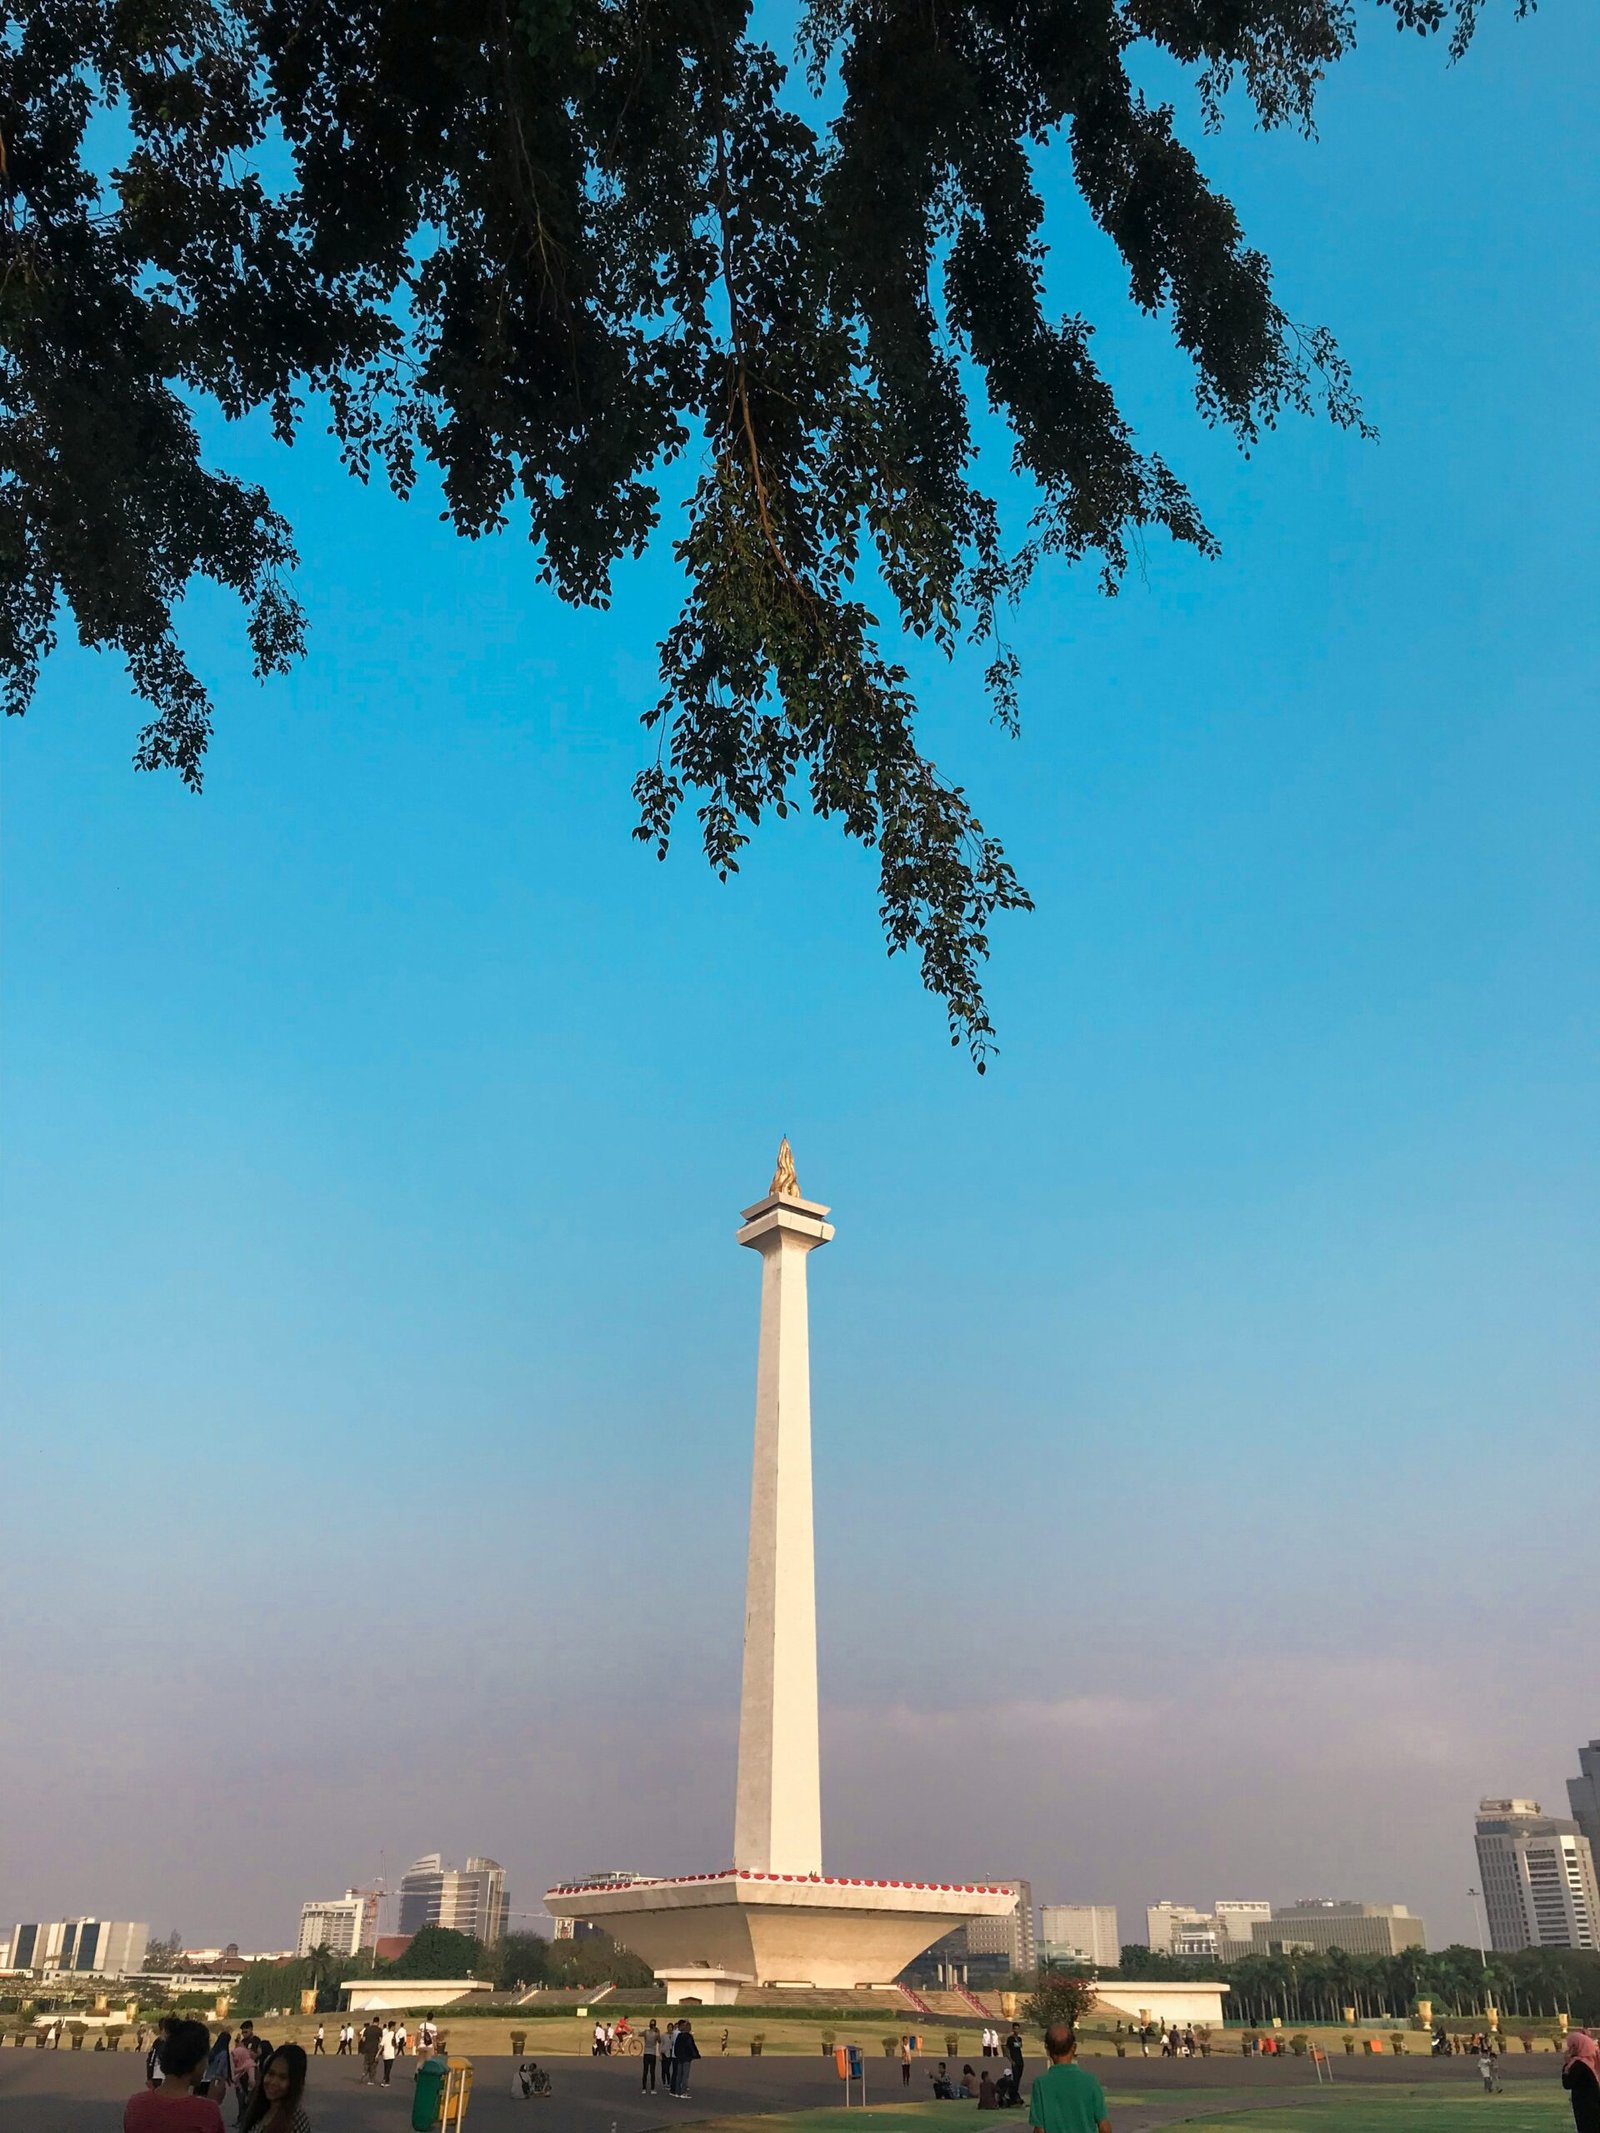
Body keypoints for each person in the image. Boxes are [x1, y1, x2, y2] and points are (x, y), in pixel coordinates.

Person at [124, 2018, 225, 2132]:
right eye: (206, 2058)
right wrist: (214, 2102)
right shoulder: (207, 2111)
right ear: (196, 2062)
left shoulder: (135, 2104)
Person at [1027, 2025, 1110, 2133]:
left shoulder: (1041, 2084)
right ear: (1074, 2048)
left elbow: (1040, 2130)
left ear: (1047, 2049)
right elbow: (1104, 2126)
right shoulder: (1090, 2081)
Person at [239, 2044, 310, 2133]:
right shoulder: (261, 2110)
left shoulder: (295, 2120)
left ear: (294, 2082)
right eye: (271, 2074)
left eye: (282, 2077)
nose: (273, 2082)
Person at [1563, 2030, 1600, 2133]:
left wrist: (1566, 2065)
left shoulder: (1578, 2065)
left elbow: (1567, 2083)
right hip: (1593, 2103)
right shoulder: (1591, 2060)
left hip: (1585, 2106)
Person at [412, 2036, 449, 2132]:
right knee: (426, 2061)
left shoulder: (422, 2029)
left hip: (423, 2056)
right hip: (429, 2052)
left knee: (421, 2062)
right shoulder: (431, 2039)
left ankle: (417, 2074)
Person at [673, 2018, 700, 2101]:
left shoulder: (679, 2036)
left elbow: (676, 2047)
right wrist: (695, 2055)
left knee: (679, 2075)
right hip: (686, 2058)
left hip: (680, 2057)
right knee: (685, 2075)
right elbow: (691, 2047)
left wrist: (677, 2055)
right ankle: (683, 2092)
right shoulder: (688, 2036)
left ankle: (677, 2092)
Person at [359, 2020, 382, 2085]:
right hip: (374, 2049)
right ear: (378, 2022)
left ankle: (364, 2072)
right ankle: (371, 2080)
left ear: (372, 2022)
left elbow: (363, 2039)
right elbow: (380, 2040)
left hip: (367, 2049)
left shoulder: (367, 2029)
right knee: (373, 2064)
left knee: (366, 2062)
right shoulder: (379, 2030)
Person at [1005, 2025, 1025, 2096]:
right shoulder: (1010, 2039)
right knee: (1015, 2078)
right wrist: (1011, 2061)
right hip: (1015, 2061)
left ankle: (1015, 2092)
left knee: (1018, 2078)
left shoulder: (1019, 2038)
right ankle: (1013, 2093)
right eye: (1015, 2029)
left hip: (1020, 2060)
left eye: (1018, 2029)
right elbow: (1007, 2050)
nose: (1016, 2030)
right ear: (1013, 2029)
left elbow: (1020, 2046)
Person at [642, 2020, 661, 2092]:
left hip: (646, 2053)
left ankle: (644, 2088)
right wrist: (658, 2032)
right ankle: (652, 2088)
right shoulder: (656, 2034)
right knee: (652, 2071)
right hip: (652, 2053)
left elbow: (640, 2034)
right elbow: (659, 2041)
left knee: (645, 2071)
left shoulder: (646, 2032)